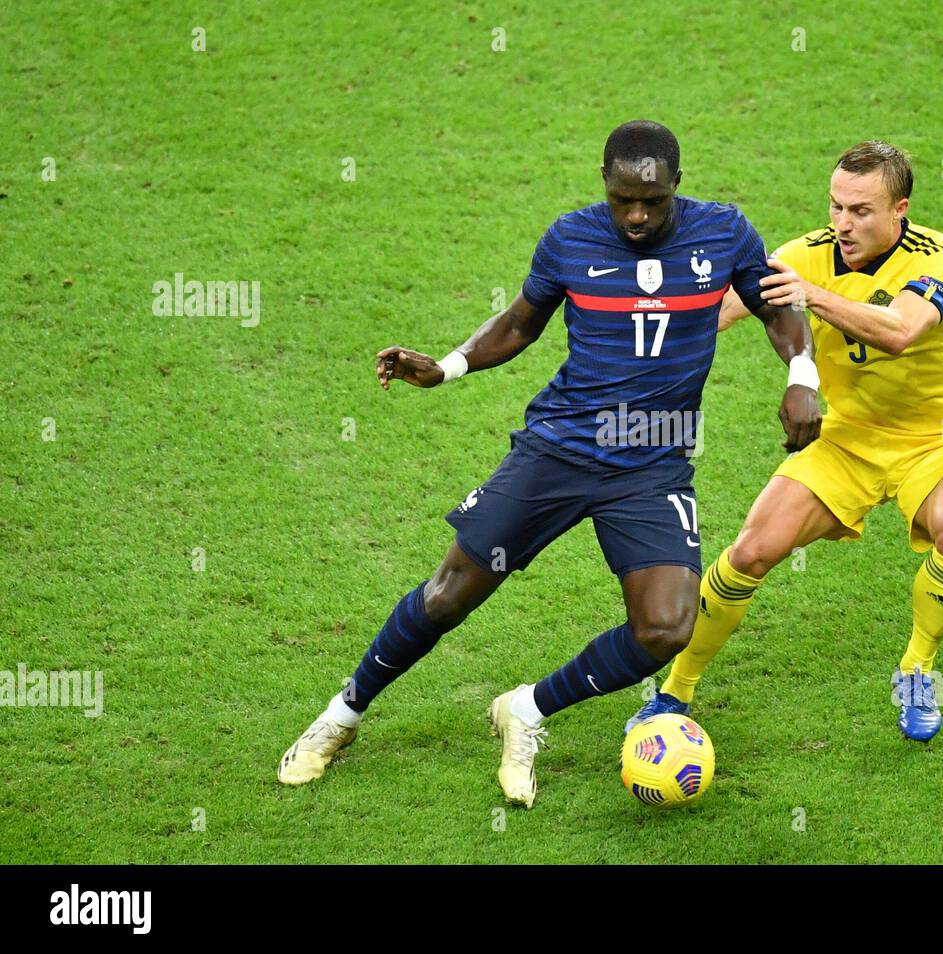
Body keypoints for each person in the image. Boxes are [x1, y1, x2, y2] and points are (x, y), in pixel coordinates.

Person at [277, 120, 821, 806]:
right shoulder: (571, 238)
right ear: (605, 183)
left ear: (676, 186)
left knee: (664, 628)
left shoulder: (726, 233)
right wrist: (443, 368)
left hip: (651, 465)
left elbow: (779, 309)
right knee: (449, 594)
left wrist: (802, 374)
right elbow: (518, 324)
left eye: (652, 201)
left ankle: (526, 710)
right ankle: (340, 717)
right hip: (558, 449)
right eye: (624, 198)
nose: (637, 215)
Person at [628, 140, 943, 742]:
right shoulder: (802, 256)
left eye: (861, 211)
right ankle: (675, 690)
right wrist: (640, 344)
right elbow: (717, 311)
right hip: (848, 438)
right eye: (836, 207)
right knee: (750, 552)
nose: (843, 224)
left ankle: (916, 669)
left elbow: (902, 331)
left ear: (900, 210)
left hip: (942, 438)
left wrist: (814, 296)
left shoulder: (941, 259)